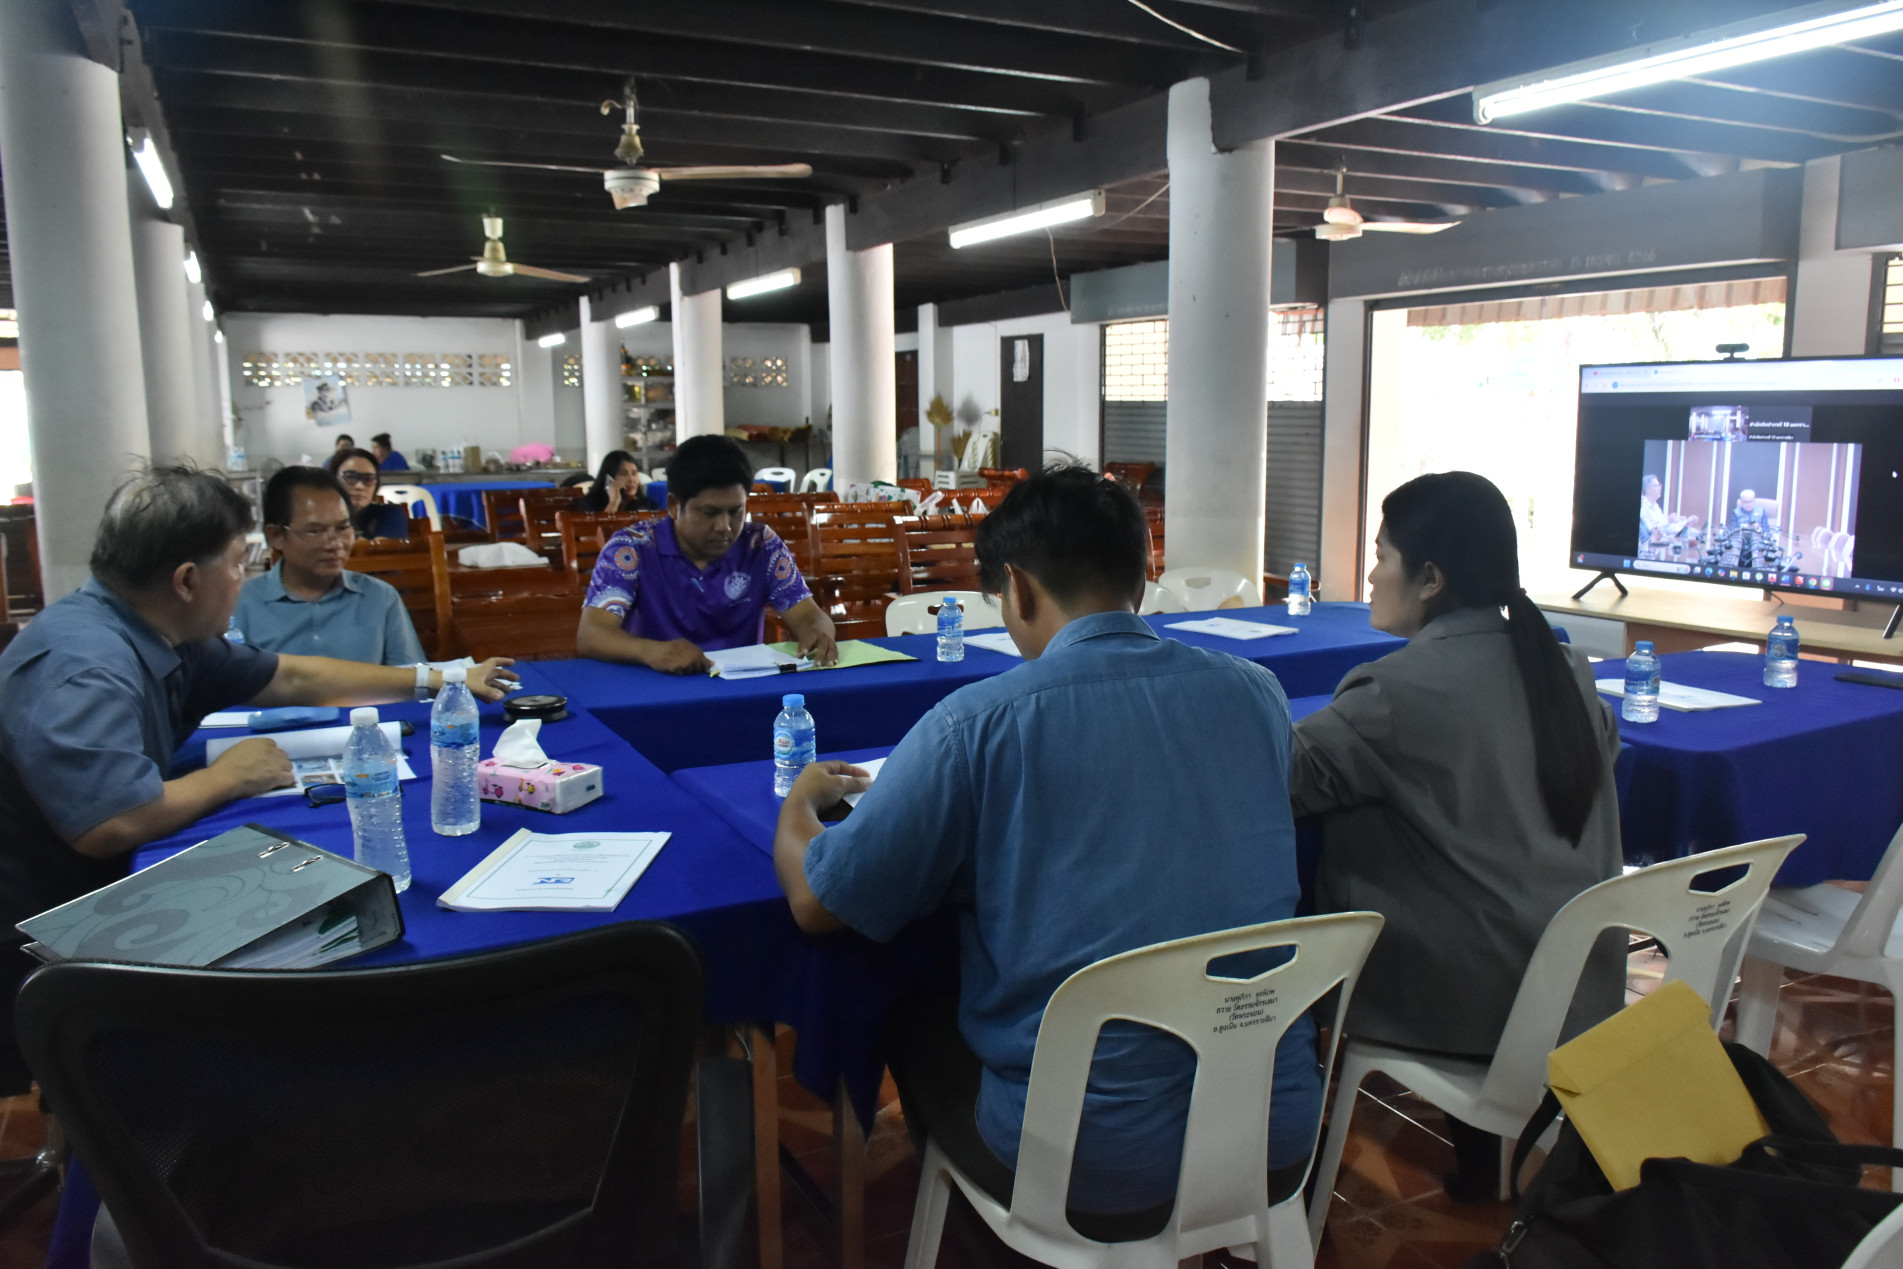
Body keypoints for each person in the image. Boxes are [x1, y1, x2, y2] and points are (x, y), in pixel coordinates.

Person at [774, 465, 1321, 1229]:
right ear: (1142, 576)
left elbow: (817, 901)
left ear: (1017, 589)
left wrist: (799, 804)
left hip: (1090, 1162)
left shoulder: (975, 723)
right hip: (1274, 1130)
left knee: (907, 995)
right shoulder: (1257, 692)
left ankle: (977, 1226)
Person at [0, 466, 519, 1073]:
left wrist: (439, 677)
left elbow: (290, 676)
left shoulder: (157, 628)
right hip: (38, 934)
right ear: (187, 580)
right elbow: (109, 822)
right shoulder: (87, 665)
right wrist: (229, 777)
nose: (244, 578)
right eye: (236, 563)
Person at [1289, 470, 1623, 1199]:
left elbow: (1280, 781)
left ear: (1431, 577)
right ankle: (1479, 1161)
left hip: (1466, 998)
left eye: (1381, 556)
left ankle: (1276, 1166)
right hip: (1578, 987)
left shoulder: (1394, 691)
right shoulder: (1564, 667)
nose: (1370, 575)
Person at [577, 434, 836, 673]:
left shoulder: (761, 544)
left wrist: (818, 633)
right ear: (674, 506)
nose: (725, 527)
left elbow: (808, 615)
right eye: (709, 513)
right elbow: (591, 633)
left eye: (736, 512)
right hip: (654, 686)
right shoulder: (631, 548)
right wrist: (651, 651)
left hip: (740, 687)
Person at [232, 467, 428, 666]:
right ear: (276, 536)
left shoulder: (381, 599)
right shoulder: (242, 604)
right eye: (315, 531)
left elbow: (411, 678)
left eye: (343, 528)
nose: (335, 543)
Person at [327, 447, 409, 540]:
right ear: (333, 480)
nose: (359, 486)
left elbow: (385, 547)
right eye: (350, 477)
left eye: (368, 479)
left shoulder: (389, 513)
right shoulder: (320, 516)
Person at [577, 449, 656, 514]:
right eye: (623, 474)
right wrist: (614, 502)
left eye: (634, 473)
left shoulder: (648, 504)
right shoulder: (589, 504)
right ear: (609, 479)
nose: (631, 479)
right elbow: (599, 527)